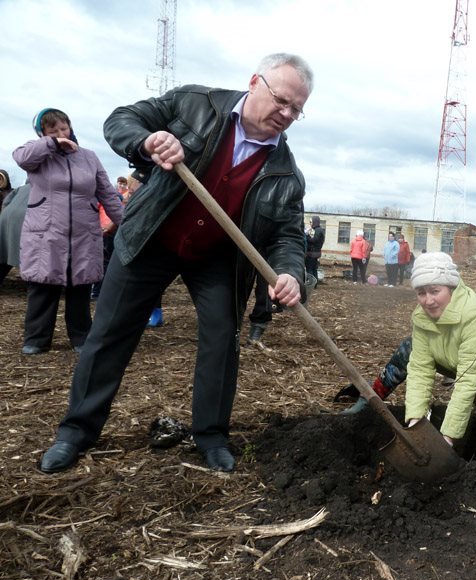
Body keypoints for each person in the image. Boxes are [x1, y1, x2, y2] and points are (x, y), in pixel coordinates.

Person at [38, 52, 313, 475]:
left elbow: (288, 234)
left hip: (218, 256)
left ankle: (211, 435)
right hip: (152, 237)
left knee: (223, 339)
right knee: (110, 333)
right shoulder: (194, 103)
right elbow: (122, 119)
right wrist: (147, 142)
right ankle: (75, 431)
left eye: (297, 109)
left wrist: (290, 271)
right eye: (282, 100)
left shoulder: (285, 173)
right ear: (255, 81)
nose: (287, 113)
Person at [338, 252, 476, 445]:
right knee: (410, 348)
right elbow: (420, 369)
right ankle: (370, 400)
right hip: (456, 360)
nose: (428, 301)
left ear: (451, 287)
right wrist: (415, 421)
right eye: (421, 293)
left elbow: (468, 378)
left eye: (435, 291)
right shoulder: (421, 316)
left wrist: (447, 438)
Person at [12, 108, 124, 355]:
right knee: (43, 285)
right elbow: (20, 158)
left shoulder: (89, 157)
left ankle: (81, 337)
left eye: (64, 128)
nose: (62, 134)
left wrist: (124, 224)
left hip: (83, 231)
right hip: (46, 231)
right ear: (42, 134)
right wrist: (50, 144)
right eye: (53, 131)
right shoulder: (37, 155)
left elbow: (107, 191)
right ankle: (37, 339)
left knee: (80, 285)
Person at [0, 183, 29, 285]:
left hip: (7, 217)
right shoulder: (48, 187)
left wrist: (5, 215)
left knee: (5, 252)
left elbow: (6, 202)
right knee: (24, 252)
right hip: (28, 218)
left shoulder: (21, 188)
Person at [305, 215, 324, 281]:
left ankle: (311, 282)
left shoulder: (318, 230)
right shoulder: (318, 230)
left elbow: (314, 240)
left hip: (313, 253)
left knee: (310, 268)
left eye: (311, 222)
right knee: (314, 268)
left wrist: (306, 236)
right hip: (315, 252)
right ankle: (315, 283)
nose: (310, 223)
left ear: (315, 222)